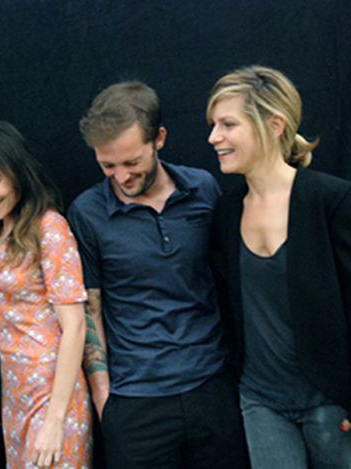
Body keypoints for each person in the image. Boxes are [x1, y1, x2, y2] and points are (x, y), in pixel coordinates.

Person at [206, 65, 351, 468]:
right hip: (261, 402)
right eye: (213, 125)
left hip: (333, 403)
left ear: (274, 125)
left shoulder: (330, 200)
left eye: (228, 124)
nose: (214, 137)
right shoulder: (227, 211)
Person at [66, 81, 249, 468]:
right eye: (108, 166)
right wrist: (104, 400)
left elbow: (231, 278)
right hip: (135, 401)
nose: (121, 177)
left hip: (212, 387)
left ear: (159, 139)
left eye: (132, 162)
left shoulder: (202, 188)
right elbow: (90, 308)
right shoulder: (87, 211)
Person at [0, 121, 92, 469]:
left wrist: (55, 420)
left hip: (53, 396)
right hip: (15, 396)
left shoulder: (50, 229)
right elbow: (11, 318)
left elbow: (75, 327)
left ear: (18, 174)